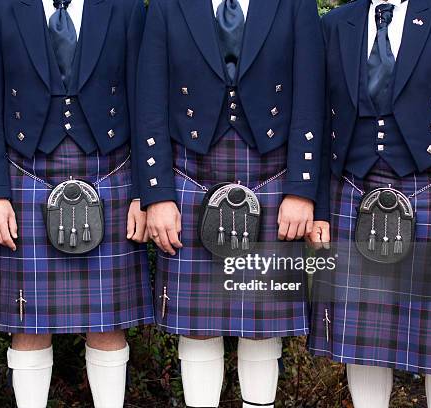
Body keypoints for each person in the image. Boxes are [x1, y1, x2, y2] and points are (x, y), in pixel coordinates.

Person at [135, 0, 325, 406]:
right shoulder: (168, 6)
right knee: (198, 326)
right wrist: (158, 193)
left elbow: (311, 95)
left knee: (262, 326)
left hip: (272, 175)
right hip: (190, 173)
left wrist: (301, 188)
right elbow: (149, 102)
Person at [0, 0, 152, 407]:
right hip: (24, 177)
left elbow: (146, 106)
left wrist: (145, 191)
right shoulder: (2, 8)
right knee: (28, 322)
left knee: (109, 322)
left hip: (110, 173)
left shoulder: (125, 8)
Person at [308, 0, 431, 406]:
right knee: (364, 340)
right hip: (355, 190)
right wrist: (320, 209)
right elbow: (320, 123)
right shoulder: (337, 23)